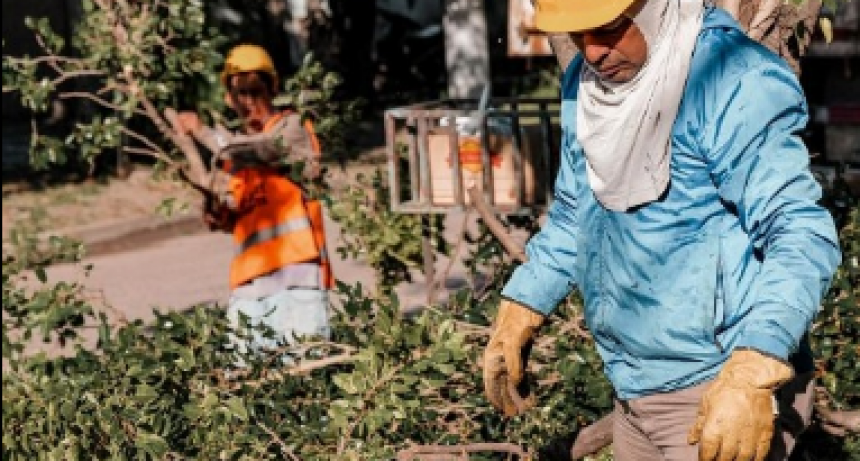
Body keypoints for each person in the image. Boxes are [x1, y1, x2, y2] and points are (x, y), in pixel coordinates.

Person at [482, 1, 841, 460]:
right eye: (578, 35)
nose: (592, 52)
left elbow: (800, 231)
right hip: (633, 387)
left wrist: (755, 364)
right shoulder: (586, 84)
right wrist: (522, 305)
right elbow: (575, 215)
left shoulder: (732, 80)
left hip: (718, 389)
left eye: (608, 28)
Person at [176, 44, 333, 362]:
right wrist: (217, 214)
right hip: (249, 282)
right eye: (240, 94)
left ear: (272, 89)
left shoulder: (292, 128)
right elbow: (234, 213)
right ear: (228, 98)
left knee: (303, 369)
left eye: (255, 91)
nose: (248, 101)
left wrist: (202, 132)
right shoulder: (231, 155)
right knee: (245, 376)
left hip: (298, 275)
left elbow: (261, 150)